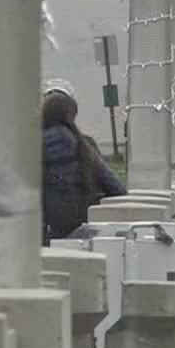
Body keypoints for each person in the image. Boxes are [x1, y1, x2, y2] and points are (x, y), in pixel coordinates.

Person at [41, 89, 126, 244]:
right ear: (72, 116)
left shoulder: (27, 148)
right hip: (78, 233)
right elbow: (118, 189)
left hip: (38, 236)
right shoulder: (85, 147)